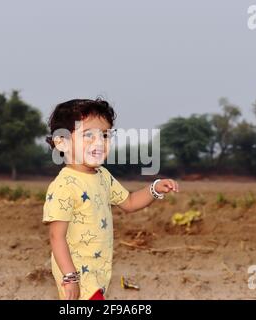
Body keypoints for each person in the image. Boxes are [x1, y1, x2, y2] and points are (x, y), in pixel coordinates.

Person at [42, 98, 179, 300]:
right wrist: (70, 277)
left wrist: (154, 188)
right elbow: (56, 236)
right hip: (77, 273)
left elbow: (130, 202)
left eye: (105, 135)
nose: (99, 142)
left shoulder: (102, 176)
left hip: (99, 270)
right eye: (88, 135)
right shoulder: (64, 186)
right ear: (62, 142)